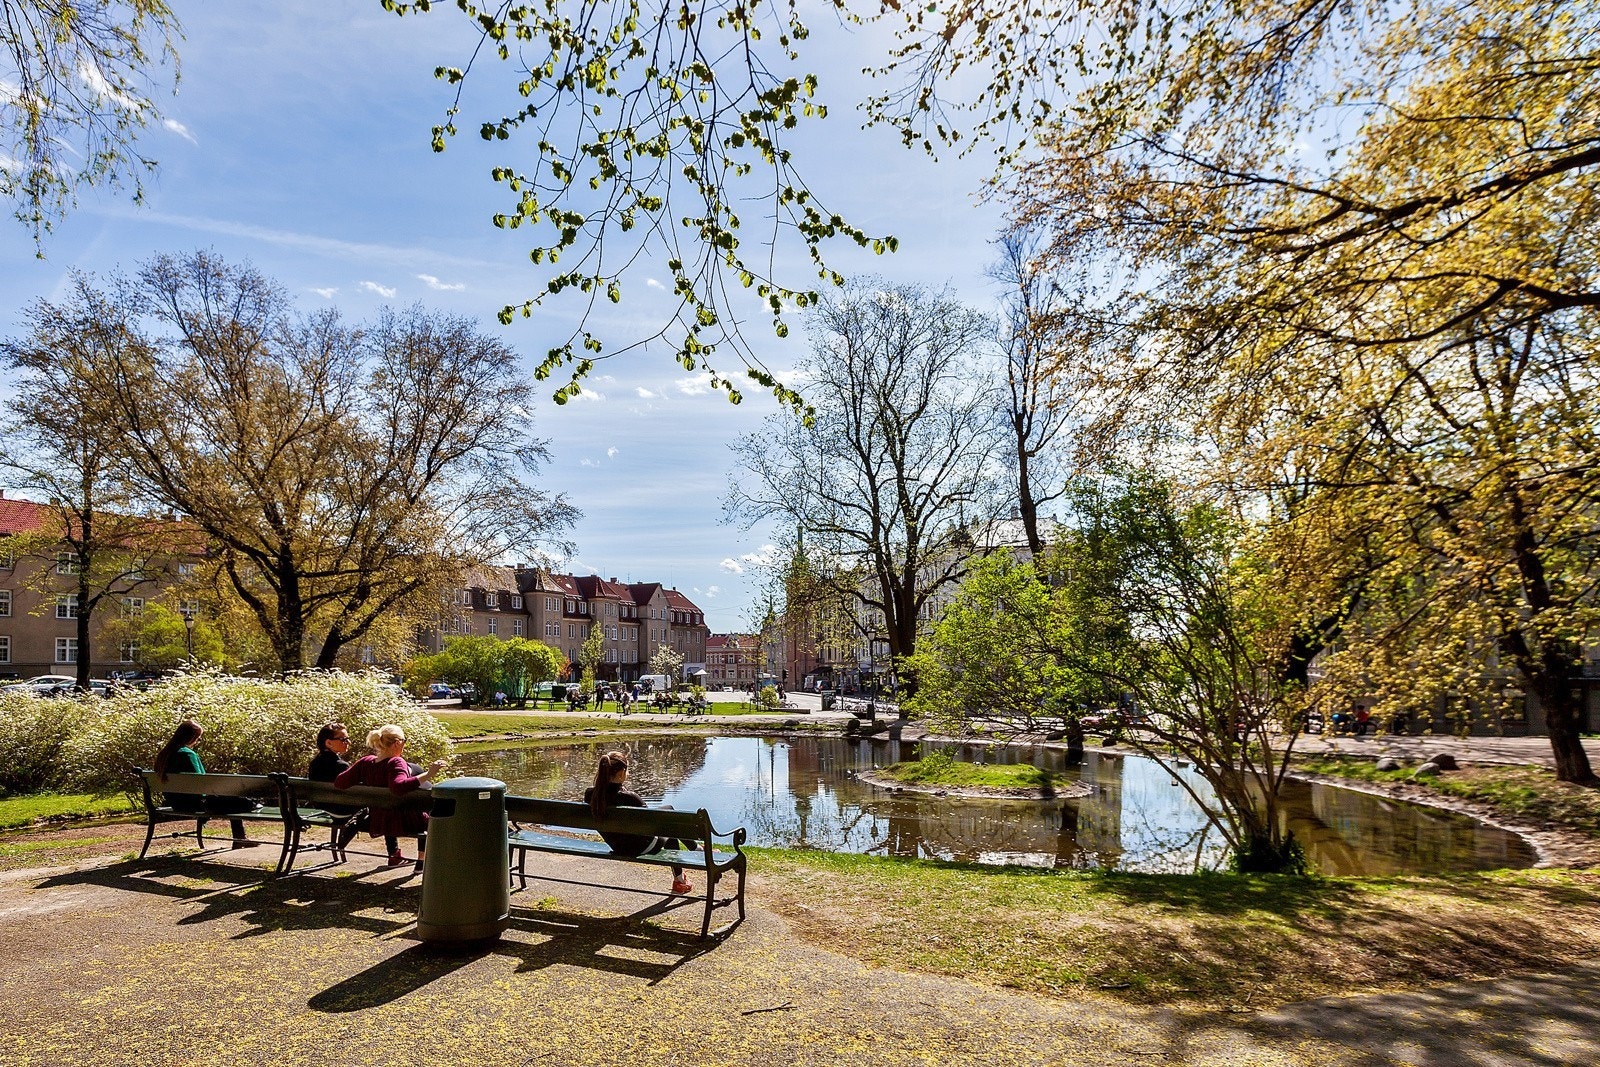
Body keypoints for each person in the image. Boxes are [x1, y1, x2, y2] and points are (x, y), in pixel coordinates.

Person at [334, 724, 446, 871]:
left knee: (421, 806)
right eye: (404, 741)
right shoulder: (396, 762)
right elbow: (398, 787)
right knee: (430, 812)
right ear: (397, 743)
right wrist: (428, 774)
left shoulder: (366, 762)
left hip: (378, 820)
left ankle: (416, 859)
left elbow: (339, 783)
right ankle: (422, 860)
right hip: (401, 822)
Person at [583, 750, 695, 895]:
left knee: (669, 812)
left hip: (618, 847)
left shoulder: (590, 794)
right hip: (641, 848)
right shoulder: (630, 798)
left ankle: (695, 853)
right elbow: (651, 822)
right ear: (621, 773)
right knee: (670, 826)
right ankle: (681, 878)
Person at [153, 718, 256, 848]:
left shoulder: (163, 755)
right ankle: (240, 837)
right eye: (198, 738)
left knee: (233, 800)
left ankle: (240, 838)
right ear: (191, 737)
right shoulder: (187, 755)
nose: (197, 741)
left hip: (176, 804)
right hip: (196, 805)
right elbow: (201, 785)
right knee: (239, 800)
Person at [307, 721, 365, 851]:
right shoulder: (341, 765)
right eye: (343, 739)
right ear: (328, 743)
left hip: (321, 808)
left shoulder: (315, 763)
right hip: (341, 812)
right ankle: (393, 851)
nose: (348, 742)